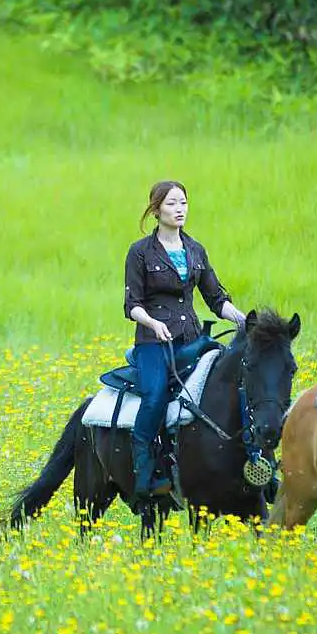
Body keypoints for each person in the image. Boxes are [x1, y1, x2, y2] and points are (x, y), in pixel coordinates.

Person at [123, 180, 247, 499]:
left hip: (191, 338)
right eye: (172, 204)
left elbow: (216, 298)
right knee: (154, 397)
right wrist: (151, 323)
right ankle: (144, 473)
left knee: (235, 381)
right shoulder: (139, 253)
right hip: (153, 344)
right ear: (156, 210)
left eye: (183, 203)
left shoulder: (195, 250)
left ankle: (253, 463)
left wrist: (241, 318)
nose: (179, 209)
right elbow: (132, 304)